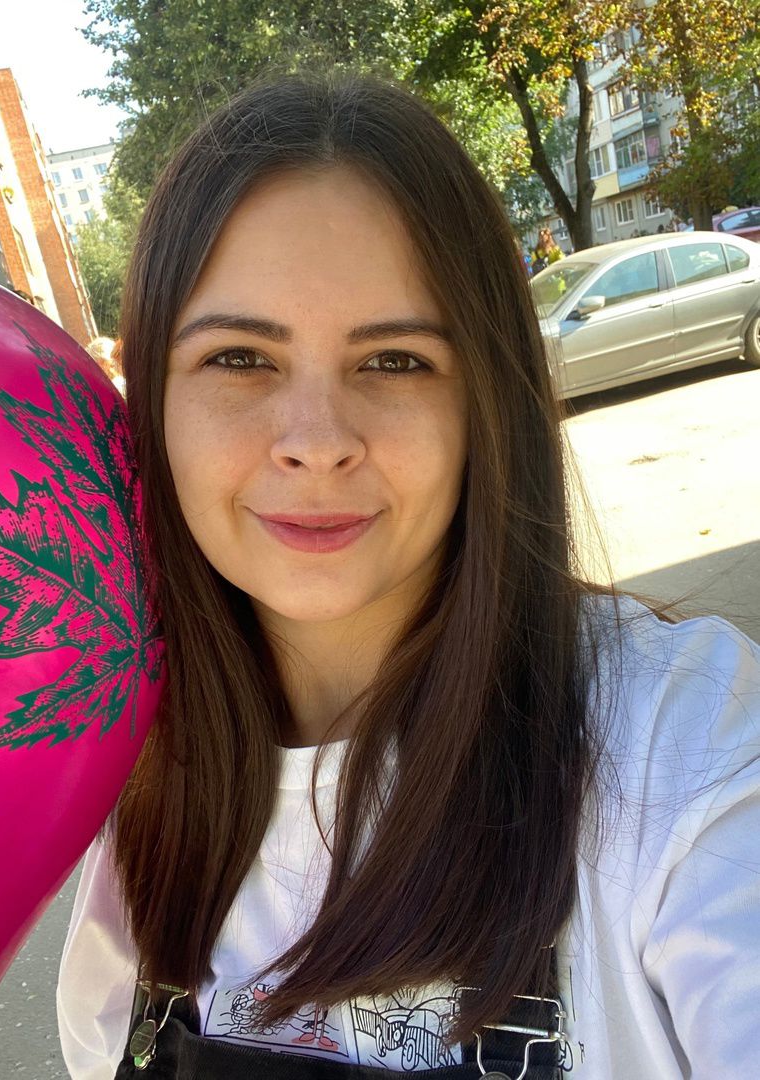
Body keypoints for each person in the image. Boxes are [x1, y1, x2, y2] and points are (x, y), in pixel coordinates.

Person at [56, 73, 760, 1079]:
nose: (316, 440)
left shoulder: (682, 749)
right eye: (240, 358)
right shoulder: (131, 777)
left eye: (394, 361)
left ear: (486, 398)